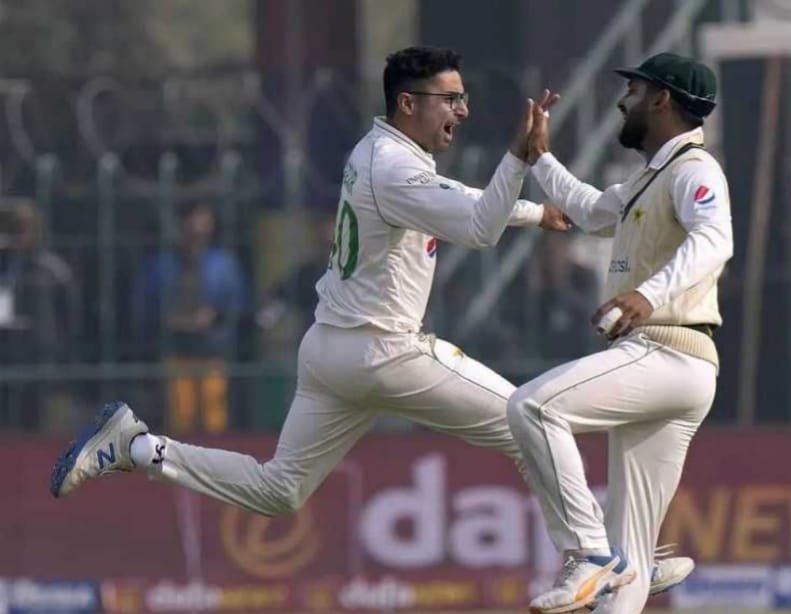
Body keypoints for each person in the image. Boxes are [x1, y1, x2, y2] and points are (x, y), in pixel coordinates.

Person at [48, 47, 694, 597]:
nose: (461, 112)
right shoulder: (393, 164)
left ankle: (135, 446)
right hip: (388, 353)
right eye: (449, 99)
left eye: (464, 98)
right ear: (408, 103)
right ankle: (602, 556)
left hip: (332, 352)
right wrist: (520, 161)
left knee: (280, 490)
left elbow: (453, 203)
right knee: (530, 415)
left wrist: (530, 213)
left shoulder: (383, 154)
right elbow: (472, 224)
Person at [507, 52, 732, 613]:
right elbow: (590, 209)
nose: (622, 101)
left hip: (669, 350)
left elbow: (714, 240)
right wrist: (540, 159)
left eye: (633, 90)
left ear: (662, 99)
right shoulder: (651, 177)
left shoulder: (695, 170)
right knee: (629, 564)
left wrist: (648, 293)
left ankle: (589, 553)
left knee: (533, 408)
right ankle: (619, 561)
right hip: (672, 367)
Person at [132, 200, 248, 433]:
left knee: (214, 417)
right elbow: (144, 303)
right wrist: (168, 319)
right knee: (180, 416)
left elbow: (238, 304)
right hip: (175, 348)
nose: (197, 230)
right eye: (191, 223)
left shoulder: (223, 263)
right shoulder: (162, 264)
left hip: (213, 348)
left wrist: (214, 316)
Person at [0, 199, 80, 430]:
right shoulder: (4, 268)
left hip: (40, 357)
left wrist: (59, 348)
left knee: (36, 424)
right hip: (6, 354)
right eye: (12, 229)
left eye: (23, 229)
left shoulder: (53, 270)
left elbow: (69, 314)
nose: (17, 236)